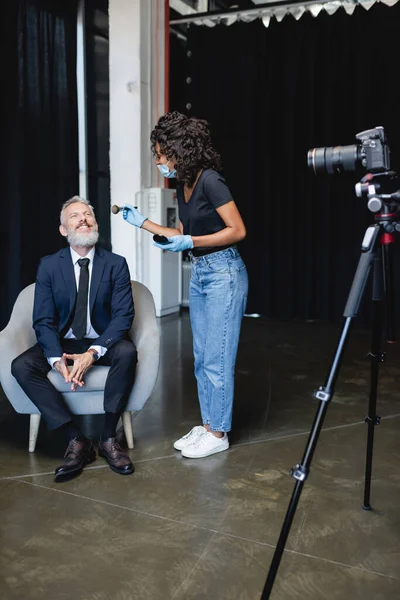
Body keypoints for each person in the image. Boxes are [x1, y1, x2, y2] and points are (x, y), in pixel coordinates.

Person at [122, 111, 248, 459]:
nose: (159, 161)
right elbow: (180, 234)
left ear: (181, 149)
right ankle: (208, 424)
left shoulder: (211, 181)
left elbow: (237, 230)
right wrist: (144, 223)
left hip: (224, 273)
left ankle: (218, 432)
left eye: (162, 154)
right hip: (203, 273)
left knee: (217, 360)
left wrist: (190, 243)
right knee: (202, 358)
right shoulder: (184, 185)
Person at [11, 196, 137, 480]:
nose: (83, 219)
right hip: (64, 342)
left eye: (87, 215)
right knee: (21, 366)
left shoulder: (116, 264)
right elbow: (42, 320)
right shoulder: (49, 266)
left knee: (127, 352)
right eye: (74, 216)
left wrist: (93, 353)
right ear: (63, 230)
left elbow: (122, 317)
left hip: (101, 340)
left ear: (95, 224)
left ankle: (107, 438)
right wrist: (57, 360)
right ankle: (76, 439)